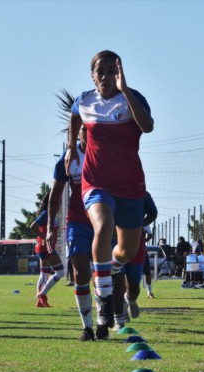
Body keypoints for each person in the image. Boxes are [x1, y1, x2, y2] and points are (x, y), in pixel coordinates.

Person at [64, 50, 154, 338]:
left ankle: (110, 271)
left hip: (130, 186)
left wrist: (125, 91)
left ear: (120, 72)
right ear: (92, 75)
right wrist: (70, 147)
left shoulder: (133, 99)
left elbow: (148, 127)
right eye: (99, 71)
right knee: (102, 226)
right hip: (96, 182)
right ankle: (103, 299)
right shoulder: (85, 100)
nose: (105, 76)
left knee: (126, 251)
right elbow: (75, 116)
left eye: (111, 71)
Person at [48, 123, 96, 341]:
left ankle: (111, 312)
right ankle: (87, 327)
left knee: (112, 273)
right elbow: (54, 196)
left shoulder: (105, 153)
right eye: (84, 128)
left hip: (104, 221)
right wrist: (50, 227)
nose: (89, 132)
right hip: (77, 221)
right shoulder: (68, 158)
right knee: (81, 273)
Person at [118, 192, 158, 330]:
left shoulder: (142, 194)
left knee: (134, 284)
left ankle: (130, 299)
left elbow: (153, 213)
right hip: (115, 240)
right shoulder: (111, 189)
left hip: (137, 242)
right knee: (117, 278)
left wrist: (140, 223)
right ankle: (119, 316)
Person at [31, 191, 65, 308]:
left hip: (42, 247)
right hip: (45, 247)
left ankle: (40, 302)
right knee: (60, 272)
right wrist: (43, 237)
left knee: (44, 274)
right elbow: (33, 226)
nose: (60, 202)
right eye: (58, 199)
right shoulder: (47, 213)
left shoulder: (53, 213)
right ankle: (42, 294)